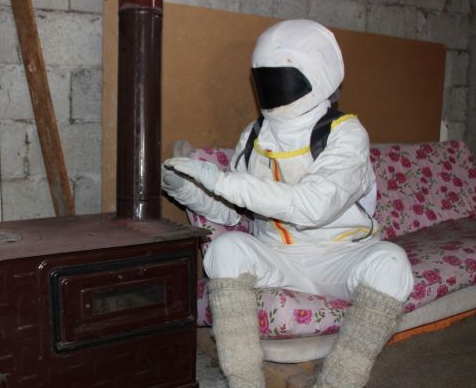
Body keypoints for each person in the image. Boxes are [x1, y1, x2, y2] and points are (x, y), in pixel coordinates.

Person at [161, 20, 414, 388]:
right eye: (266, 78)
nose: (275, 87)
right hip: (277, 256)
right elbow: (230, 212)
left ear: (320, 74)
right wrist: (186, 189)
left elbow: (314, 206)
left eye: (283, 77)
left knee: (392, 263)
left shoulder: (345, 133)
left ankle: (338, 381)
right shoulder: (254, 135)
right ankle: (244, 381)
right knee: (226, 249)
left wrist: (222, 180)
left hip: (339, 257)